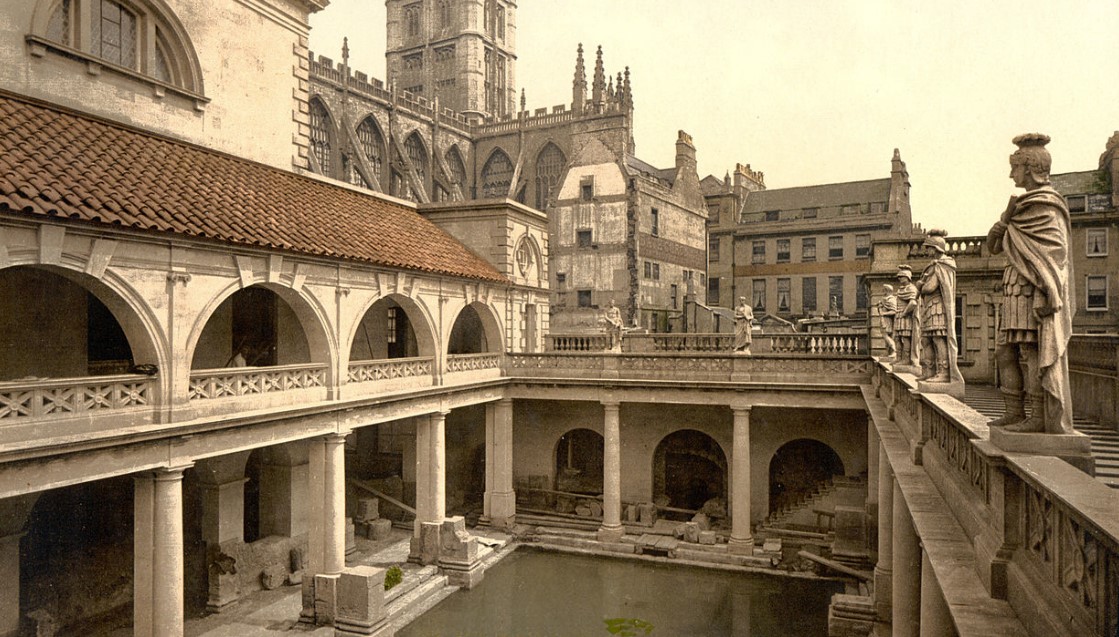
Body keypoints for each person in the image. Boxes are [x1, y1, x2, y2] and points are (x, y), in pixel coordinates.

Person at [985, 133, 1074, 433]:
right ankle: (1013, 412)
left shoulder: (1047, 205)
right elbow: (994, 248)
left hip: (1031, 287)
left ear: (1031, 167)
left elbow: (1055, 255)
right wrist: (999, 228)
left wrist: (1044, 291)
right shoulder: (1020, 207)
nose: (1012, 173)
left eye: (1016, 167)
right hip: (1013, 284)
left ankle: (1036, 417)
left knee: (1033, 352)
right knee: (1004, 352)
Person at [916, 229, 962, 384]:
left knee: (937, 339)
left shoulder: (943, 265)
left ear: (936, 248)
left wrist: (921, 284)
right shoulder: (932, 266)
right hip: (929, 308)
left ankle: (943, 372)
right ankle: (929, 370)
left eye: (929, 248)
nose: (927, 251)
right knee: (926, 340)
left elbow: (929, 287)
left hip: (938, 308)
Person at [893, 266, 918, 367]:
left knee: (905, 337)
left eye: (901, 276)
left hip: (905, 316)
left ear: (907, 277)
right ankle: (899, 358)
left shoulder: (911, 288)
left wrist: (904, 313)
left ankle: (906, 359)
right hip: (898, 315)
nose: (899, 279)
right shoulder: (901, 289)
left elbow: (913, 303)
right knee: (897, 338)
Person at [878, 284, 897, 359]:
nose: (882, 291)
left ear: (887, 290)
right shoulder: (884, 299)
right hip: (884, 319)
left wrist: (883, 313)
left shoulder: (891, 299)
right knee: (885, 336)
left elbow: (894, 311)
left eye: (884, 289)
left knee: (886, 336)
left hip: (887, 320)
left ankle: (894, 350)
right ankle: (888, 352)